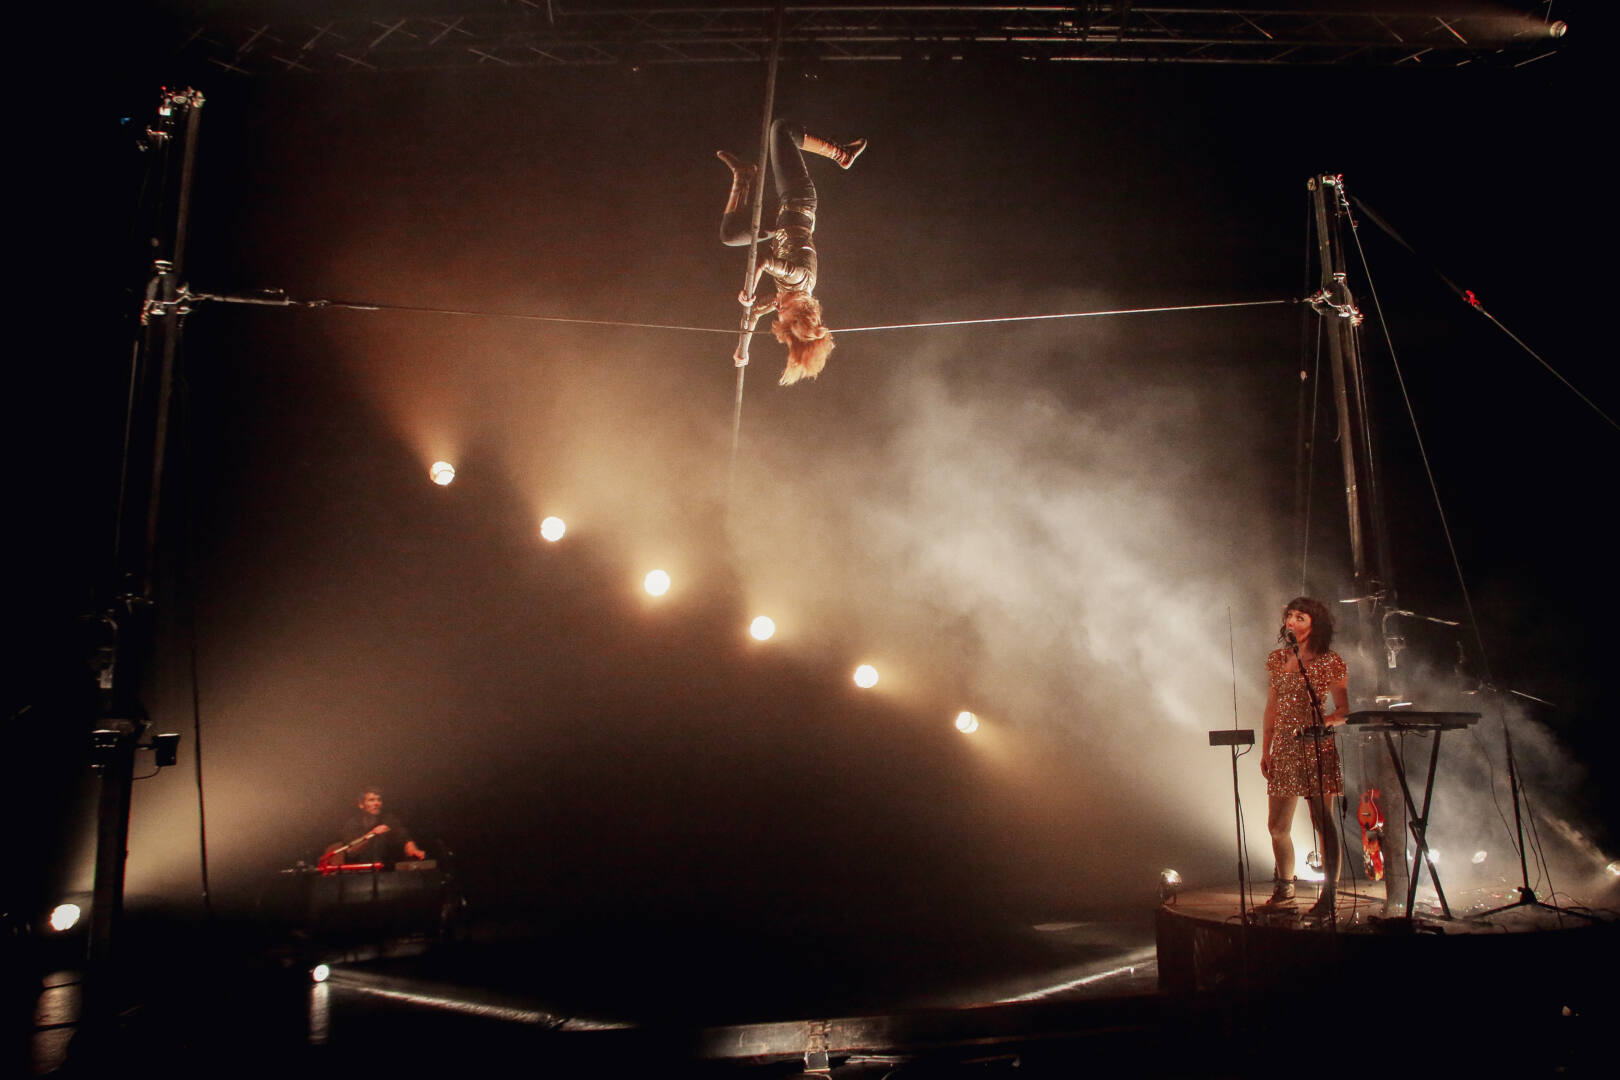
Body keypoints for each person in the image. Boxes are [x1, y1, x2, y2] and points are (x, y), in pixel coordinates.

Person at [716, 118, 865, 386]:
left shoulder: (784, 297)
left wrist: (743, 349)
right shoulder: (799, 281)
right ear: (796, 311)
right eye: (783, 317)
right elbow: (762, 260)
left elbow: (752, 314)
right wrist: (749, 291)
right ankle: (842, 154)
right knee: (781, 129)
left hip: (779, 221)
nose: (777, 311)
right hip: (798, 199)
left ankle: (743, 175)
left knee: (730, 235)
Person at [1259, 597, 1349, 921]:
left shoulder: (1330, 661)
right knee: (1277, 826)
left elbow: (1343, 711)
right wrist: (1266, 747)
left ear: (1315, 622)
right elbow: (1271, 706)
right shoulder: (1277, 659)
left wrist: (1323, 722)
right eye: (1289, 616)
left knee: (1322, 821)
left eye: (1300, 616)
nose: (1292, 621)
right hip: (1284, 745)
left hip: (1316, 744)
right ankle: (1285, 891)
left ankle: (1330, 895)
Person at [327, 787, 426, 866]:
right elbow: (351, 851)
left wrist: (413, 850)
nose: (376, 803)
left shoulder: (388, 819)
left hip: (385, 870)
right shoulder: (352, 824)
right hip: (359, 873)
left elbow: (404, 838)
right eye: (371, 800)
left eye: (379, 800)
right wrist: (371, 834)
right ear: (361, 805)